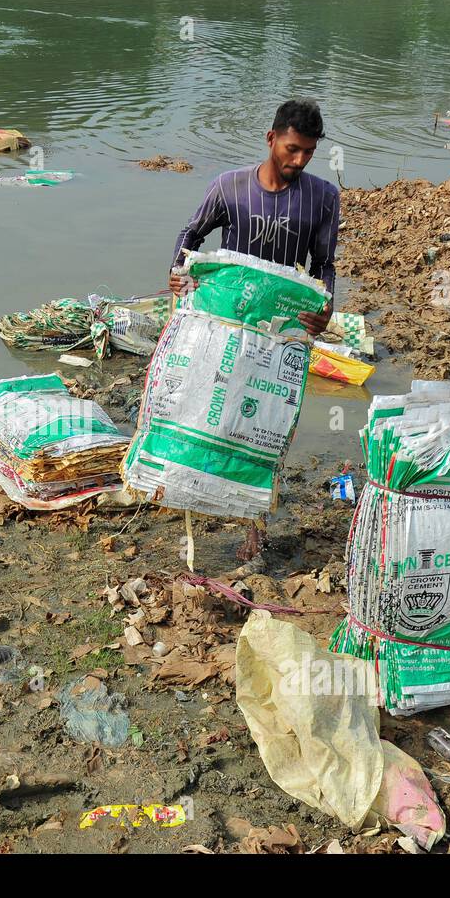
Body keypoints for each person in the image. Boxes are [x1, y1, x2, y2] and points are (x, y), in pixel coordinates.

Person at [166, 98, 340, 565]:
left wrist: (325, 307)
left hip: (280, 331)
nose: (299, 160)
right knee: (206, 408)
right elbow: (191, 236)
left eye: (308, 152)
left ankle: (253, 528)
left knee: (265, 425)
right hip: (226, 322)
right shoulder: (230, 187)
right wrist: (178, 274)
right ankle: (190, 496)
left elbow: (323, 265)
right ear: (271, 139)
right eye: (291, 149)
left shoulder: (322, 197)